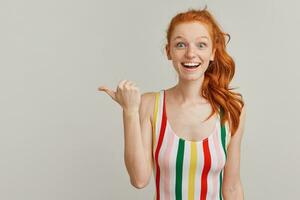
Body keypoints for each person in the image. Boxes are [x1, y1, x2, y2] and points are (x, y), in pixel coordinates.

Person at [99, 6, 246, 200]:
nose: (190, 54)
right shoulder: (150, 105)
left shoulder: (231, 109)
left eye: (201, 45)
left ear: (212, 53)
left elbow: (232, 188)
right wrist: (130, 111)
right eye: (180, 45)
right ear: (169, 51)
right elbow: (139, 179)